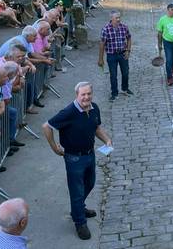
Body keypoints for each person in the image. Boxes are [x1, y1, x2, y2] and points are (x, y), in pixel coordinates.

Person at [43, 82, 112, 240]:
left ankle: (78, 208)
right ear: (77, 95)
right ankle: (80, 222)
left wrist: (107, 140)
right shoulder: (69, 112)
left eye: (89, 94)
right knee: (77, 191)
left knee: (90, 183)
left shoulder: (94, 108)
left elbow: (96, 128)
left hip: (90, 154)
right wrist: (55, 148)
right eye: (83, 94)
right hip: (74, 158)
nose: (86, 97)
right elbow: (46, 126)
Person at [98, 11, 133, 101]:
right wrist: (101, 59)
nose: (118, 19)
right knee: (113, 75)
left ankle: (125, 88)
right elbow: (102, 44)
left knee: (125, 73)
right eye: (116, 18)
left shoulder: (124, 27)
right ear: (111, 19)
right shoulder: (106, 29)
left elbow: (129, 38)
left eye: (119, 17)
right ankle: (114, 93)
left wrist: (128, 51)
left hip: (122, 53)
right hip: (111, 55)